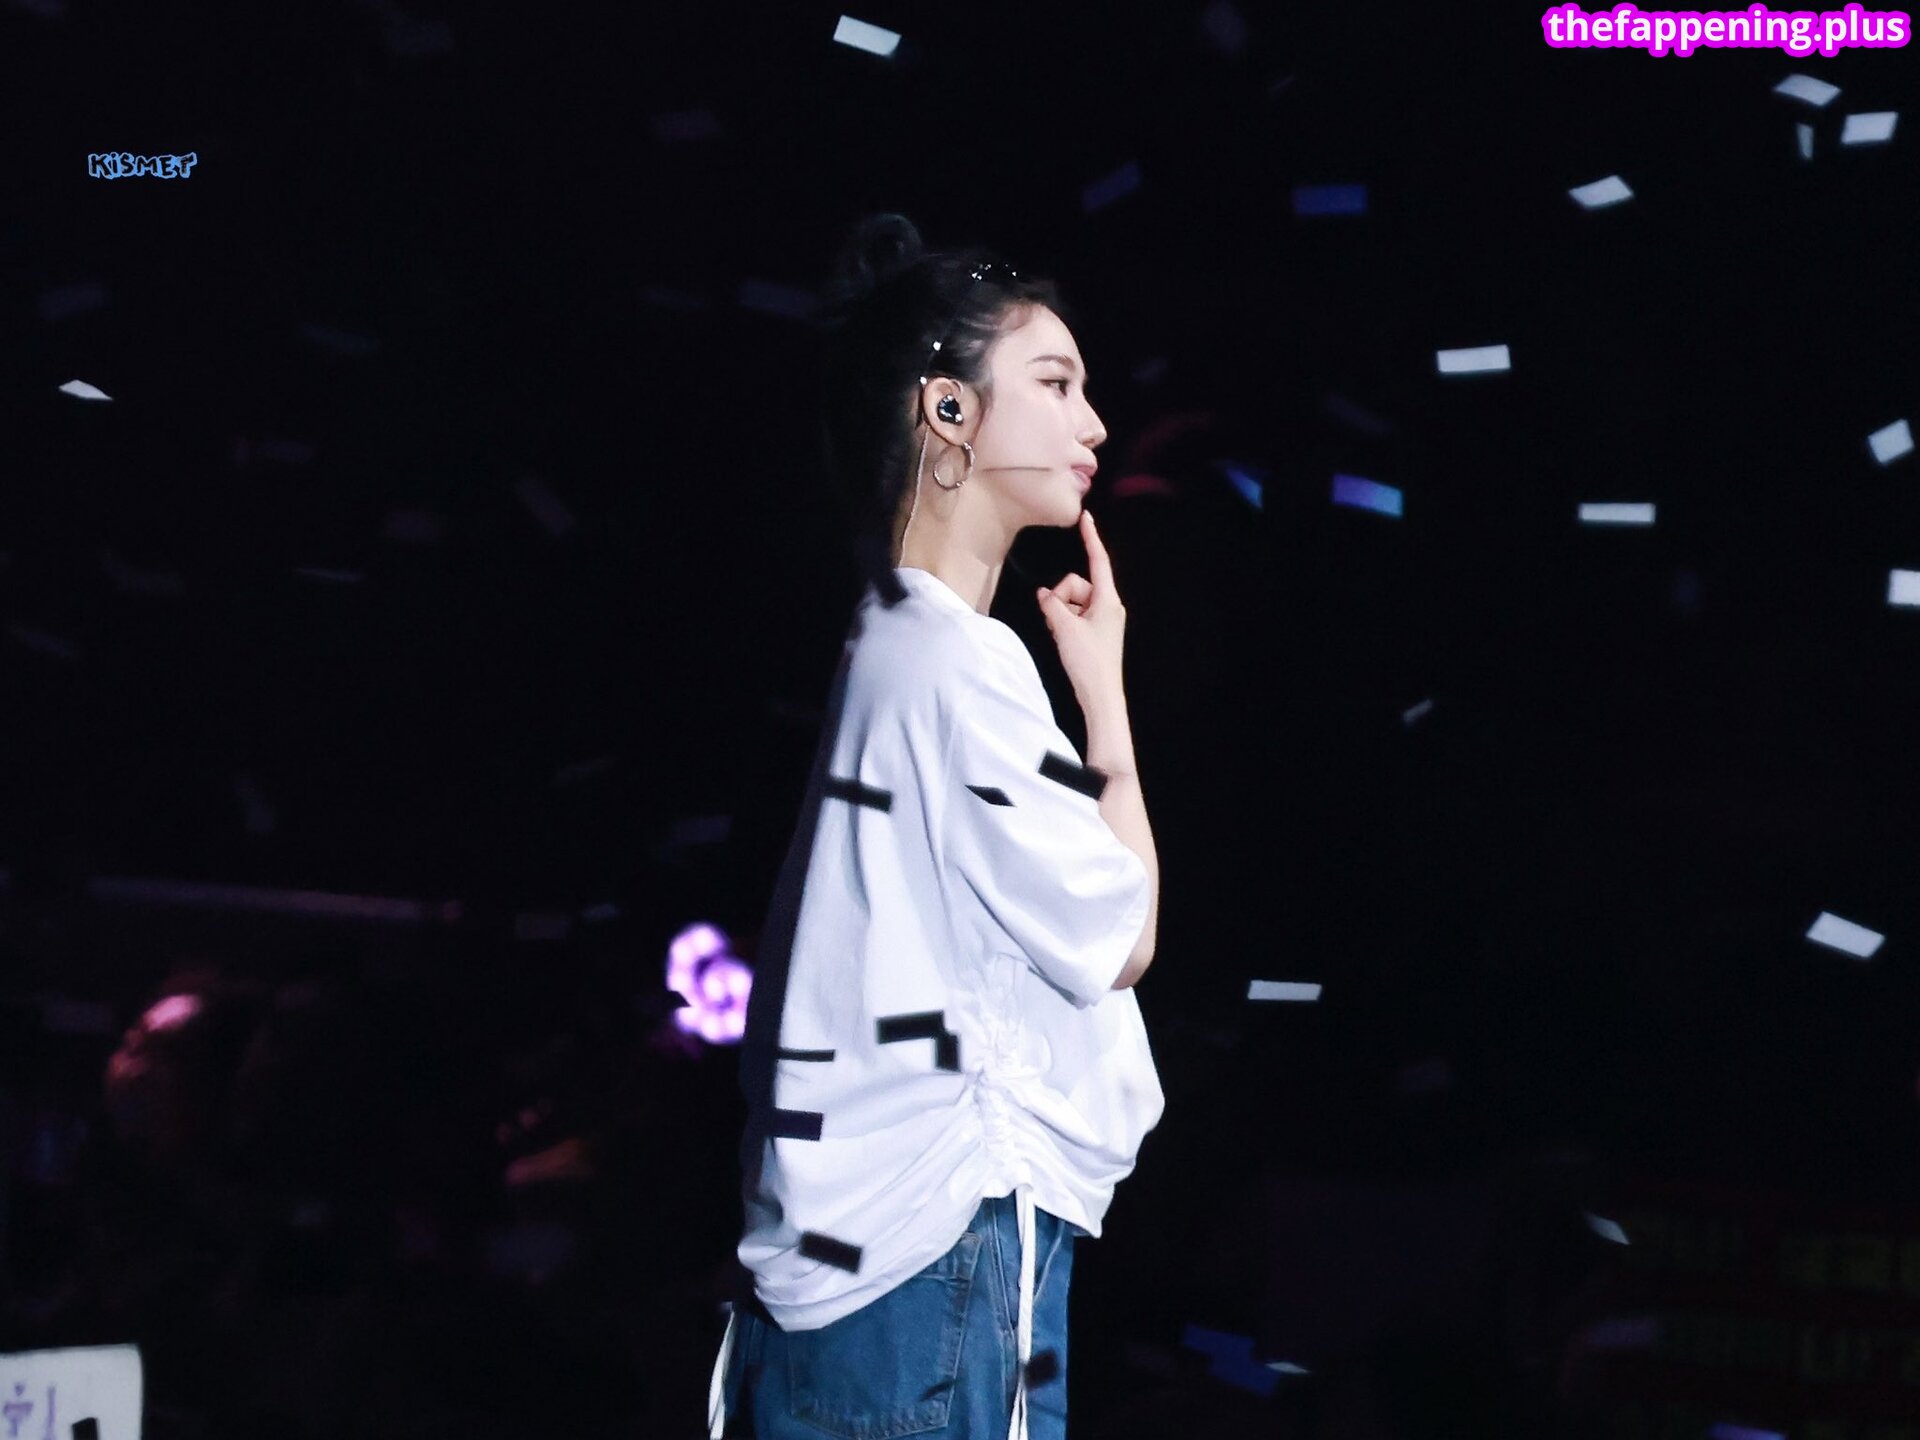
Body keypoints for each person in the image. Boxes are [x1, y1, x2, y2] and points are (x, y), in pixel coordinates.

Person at [706, 213, 1164, 1440]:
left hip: (863, 1278)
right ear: (949, 409)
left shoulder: (889, 642)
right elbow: (1121, 937)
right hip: (936, 1252)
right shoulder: (957, 660)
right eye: (1056, 385)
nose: (1093, 425)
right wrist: (1107, 700)